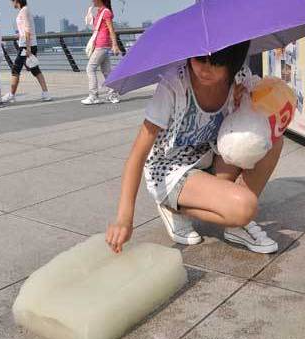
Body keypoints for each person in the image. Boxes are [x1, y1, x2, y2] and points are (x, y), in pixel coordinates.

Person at [106, 41, 284, 255]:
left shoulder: (239, 79)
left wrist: (244, 105)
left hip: (211, 156)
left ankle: (234, 221)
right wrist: (124, 218)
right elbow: (138, 154)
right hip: (171, 169)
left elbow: (270, 117)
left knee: (271, 140)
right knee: (245, 207)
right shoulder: (174, 86)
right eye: (200, 59)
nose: (205, 69)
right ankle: (173, 205)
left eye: (217, 63)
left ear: (233, 62)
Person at [2, 0, 52, 103]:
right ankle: (46, 93)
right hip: (27, 44)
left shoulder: (24, 11)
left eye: (12, 1)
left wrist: (28, 47)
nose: (11, 4)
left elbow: (28, 29)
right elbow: (24, 30)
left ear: (17, 1)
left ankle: (11, 94)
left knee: (15, 70)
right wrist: (20, 36)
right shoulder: (24, 11)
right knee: (35, 69)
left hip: (26, 46)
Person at [81, 0, 120, 105]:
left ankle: (93, 96)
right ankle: (113, 95)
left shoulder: (106, 12)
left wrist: (115, 45)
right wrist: (90, 14)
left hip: (102, 45)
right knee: (107, 71)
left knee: (90, 68)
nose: (92, 0)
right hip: (101, 44)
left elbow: (111, 30)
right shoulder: (99, 12)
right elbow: (96, 27)